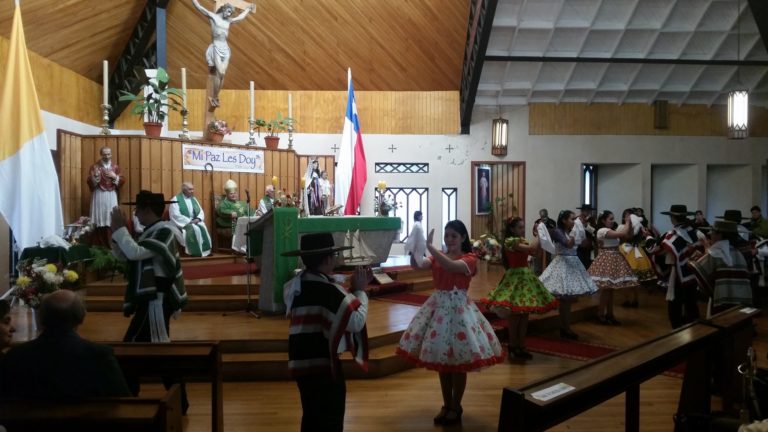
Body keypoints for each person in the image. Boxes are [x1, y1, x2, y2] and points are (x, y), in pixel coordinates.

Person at [396, 220, 503, 425]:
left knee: (459, 363)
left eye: (453, 236)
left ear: (463, 238)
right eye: (447, 236)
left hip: (460, 311)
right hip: (438, 308)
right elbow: (419, 265)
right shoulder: (439, 257)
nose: (449, 239)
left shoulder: (469, 259)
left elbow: (451, 266)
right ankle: (446, 405)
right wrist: (414, 249)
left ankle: (456, 405)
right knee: (443, 364)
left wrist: (430, 248)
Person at [282, 232, 371, 432]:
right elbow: (355, 322)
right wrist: (360, 291)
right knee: (331, 417)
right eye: (334, 255)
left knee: (311, 415)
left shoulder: (297, 284)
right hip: (322, 365)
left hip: (300, 361)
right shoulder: (328, 290)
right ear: (328, 258)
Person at [110, 191, 189, 410]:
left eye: (137, 209)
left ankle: (131, 399)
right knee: (153, 352)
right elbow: (124, 255)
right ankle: (138, 397)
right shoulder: (152, 232)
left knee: (136, 350)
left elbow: (134, 253)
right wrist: (117, 233)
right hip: (150, 299)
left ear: (146, 210)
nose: (134, 213)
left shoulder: (165, 231)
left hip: (156, 300)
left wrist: (121, 229)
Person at [0, 290, 131, 398]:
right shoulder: (100, 355)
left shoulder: (15, 356)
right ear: (81, 317)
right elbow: (123, 400)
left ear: (41, 318)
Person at [481, 217, 558, 361]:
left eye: (523, 227)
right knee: (515, 316)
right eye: (520, 228)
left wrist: (540, 237)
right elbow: (531, 249)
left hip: (525, 276)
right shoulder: (510, 241)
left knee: (524, 315)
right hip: (515, 277)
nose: (523, 230)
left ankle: (521, 346)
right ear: (512, 229)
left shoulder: (521, 241)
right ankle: (513, 346)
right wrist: (538, 233)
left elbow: (536, 253)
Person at [539, 210, 599, 340]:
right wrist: (576, 229)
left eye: (574, 219)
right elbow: (568, 244)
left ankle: (566, 327)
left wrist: (585, 231)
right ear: (564, 220)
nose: (574, 221)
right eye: (572, 219)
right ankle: (564, 328)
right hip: (563, 264)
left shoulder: (570, 231)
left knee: (567, 302)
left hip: (573, 262)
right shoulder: (558, 231)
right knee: (565, 301)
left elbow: (584, 244)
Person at [650, 204, 706, 329]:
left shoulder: (670, 235)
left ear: (673, 218)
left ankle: (677, 330)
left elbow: (656, 250)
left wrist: (649, 238)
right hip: (693, 273)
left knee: (675, 304)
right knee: (691, 302)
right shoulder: (697, 233)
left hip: (677, 274)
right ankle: (693, 329)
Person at [192, 0, 256, 108]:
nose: (229, 14)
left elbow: (239, 18)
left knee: (222, 74)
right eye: (228, 11)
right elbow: (200, 8)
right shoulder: (214, 17)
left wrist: (248, 9)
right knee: (220, 72)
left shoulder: (229, 21)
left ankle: (215, 97)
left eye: (231, 12)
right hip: (216, 47)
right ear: (224, 9)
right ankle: (215, 97)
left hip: (225, 49)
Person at [587, 210, 638, 325]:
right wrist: (628, 221)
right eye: (610, 219)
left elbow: (628, 235)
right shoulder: (602, 230)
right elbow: (623, 234)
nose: (612, 221)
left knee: (610, 290)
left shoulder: (611, 230)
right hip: (607, 259)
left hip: (614, 258)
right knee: (606, 290)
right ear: (603, 220)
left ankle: (610, 314)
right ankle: (600, 314)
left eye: (613, 218)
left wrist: (630, 225)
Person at [689, 221, 752, 313]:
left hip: (723, 301)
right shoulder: (738, 253)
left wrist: (691, 258)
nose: (710, 236)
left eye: (713, 233)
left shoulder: (716, 252)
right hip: (742, 301)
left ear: (720, 235)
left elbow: (698, 271)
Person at [618, 208, 656, 308]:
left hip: (628, 250)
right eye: (626, 216)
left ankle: (630, 300)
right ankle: (632, 300)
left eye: (628, 215)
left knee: (628, 277)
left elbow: (624, 237)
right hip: (633, 250)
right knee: (632, 278)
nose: (627, 217)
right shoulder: (638, 226)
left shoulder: (625, 227)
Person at [87, 146, 124, 247]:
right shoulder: (95, 167)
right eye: (104, 154)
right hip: (99, 194)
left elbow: (122, 180)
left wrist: (114, 177)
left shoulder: (115, 167)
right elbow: (89, 181)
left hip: (111, 194)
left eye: (108, 154)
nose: (107, 156)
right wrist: (95, 178)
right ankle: (98, 244)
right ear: (101, 155)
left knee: (111, 217)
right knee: (99, 218)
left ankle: (111, 244)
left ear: (111, 154)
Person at [170, 181, 212, 257]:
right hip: (183, 223)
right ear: (184, 190)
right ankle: (194, 252)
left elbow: (200, 211)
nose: (192, 191)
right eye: (190, 189)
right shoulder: (175, 199)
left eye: (193, 189)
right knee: (195, 229)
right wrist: (189, 221)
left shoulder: (194, 199)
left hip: (194, 221)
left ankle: (205, 251)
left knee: (202, 226)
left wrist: (198, 219)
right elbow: (175, 215)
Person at [532, 209, 556, 275]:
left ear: (547, 214)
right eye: (541, 215)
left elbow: (554, 232)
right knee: (538, 260)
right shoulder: (537, 222)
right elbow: (534, 232)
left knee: (547, 260)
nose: (542, 216)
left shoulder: (552, 222)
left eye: (544, 214)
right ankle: (537, 274)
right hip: (539, 245)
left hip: (548, 244)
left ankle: (547, 274)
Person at [575, 204, 597, 269]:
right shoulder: (577, 219)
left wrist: (585, 225)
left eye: (588, 210)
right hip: (578, 245)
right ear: (582, 210)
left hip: (588, 246)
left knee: (587, 263)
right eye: (585, 210)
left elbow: (594, 231)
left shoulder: (592, 219)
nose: (587, 212)